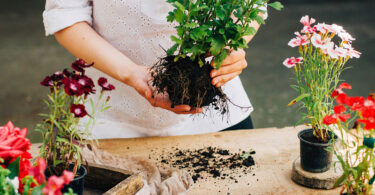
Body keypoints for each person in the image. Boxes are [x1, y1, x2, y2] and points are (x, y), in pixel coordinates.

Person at [43, 0, 267, 139]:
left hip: (214, 116)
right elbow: (66, 14)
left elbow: (251, 4)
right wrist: (133, 74)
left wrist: (230, 45)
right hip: (110, 120)